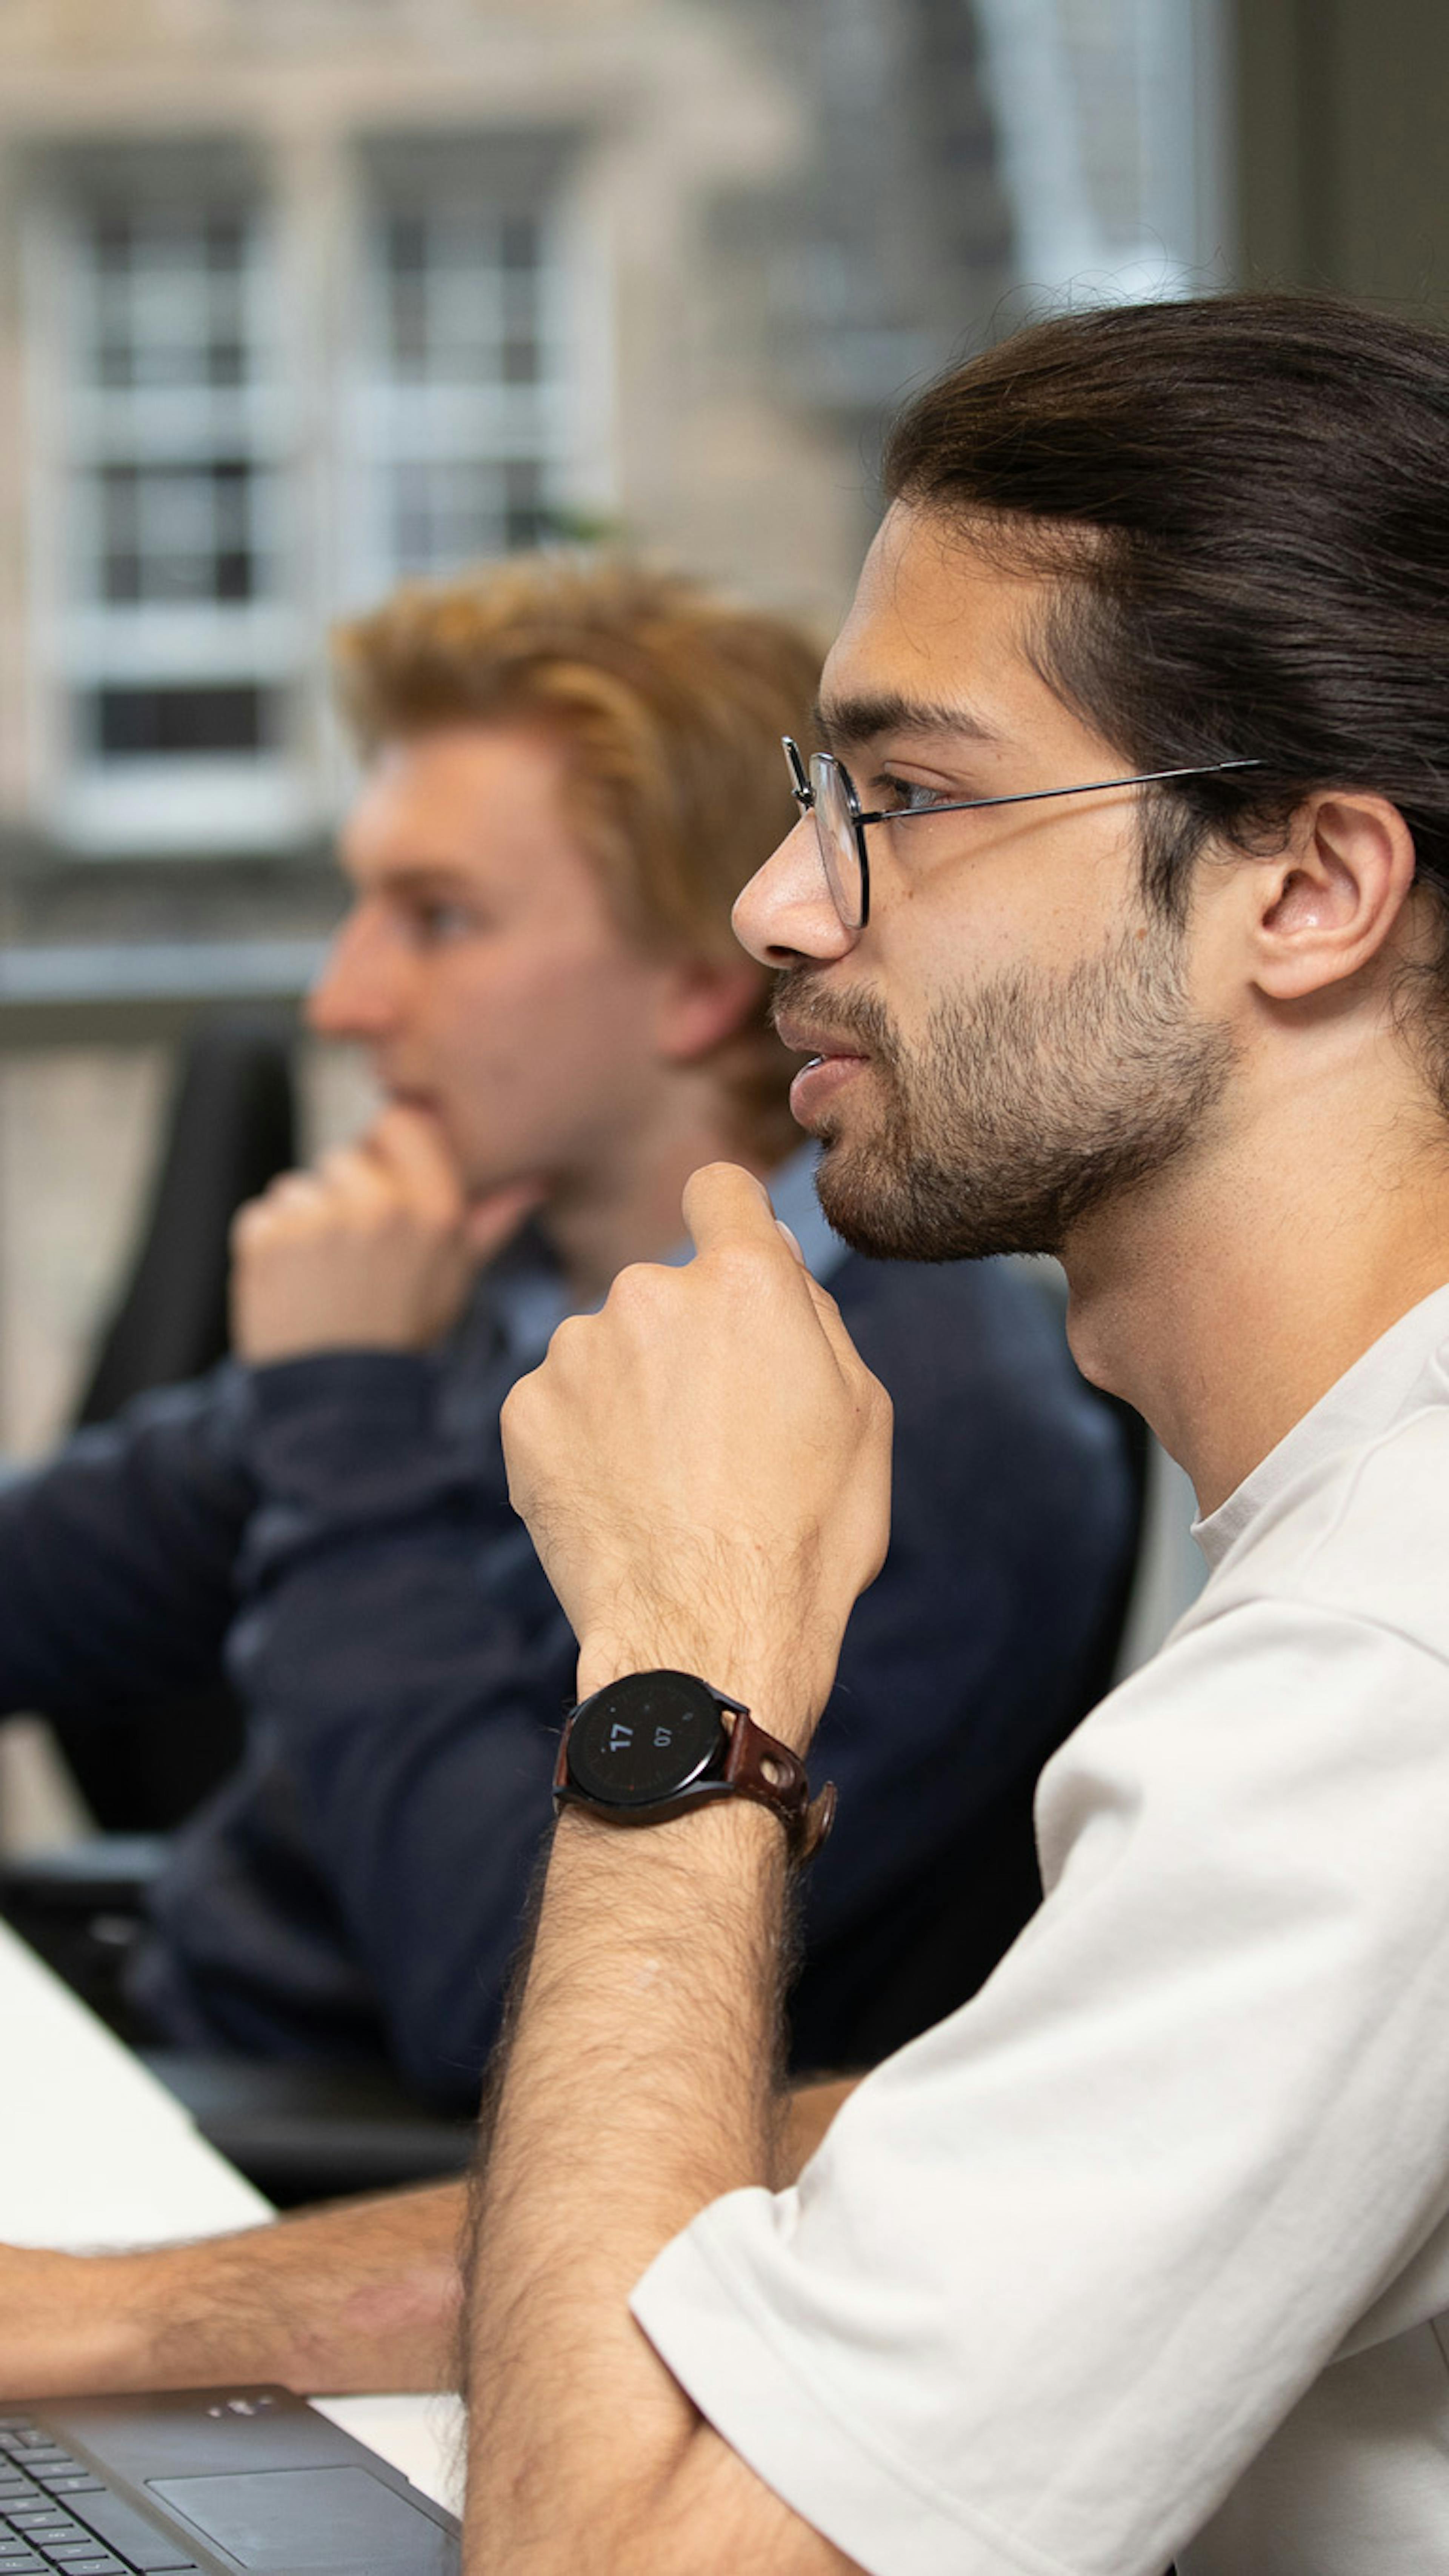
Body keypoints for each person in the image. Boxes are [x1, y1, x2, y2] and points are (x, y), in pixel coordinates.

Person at [434, 291, 1449, 2576]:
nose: (781, 903)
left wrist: (683, 1667)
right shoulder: (1339, 1531)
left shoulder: (1389, 1681)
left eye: (911, 796)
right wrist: (113, 2315)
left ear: (1306, 887)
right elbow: (928, 2163)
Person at [0, 555, 1133, 2114]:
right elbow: (56, 1578)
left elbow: (509, 2010)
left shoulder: (934, 1434)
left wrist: (344, 1408)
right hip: (168, 2062)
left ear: (687, 983)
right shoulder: (502, 1287)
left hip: (356, 2190)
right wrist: (337, 1402)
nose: (345, 998)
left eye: (438, 919)